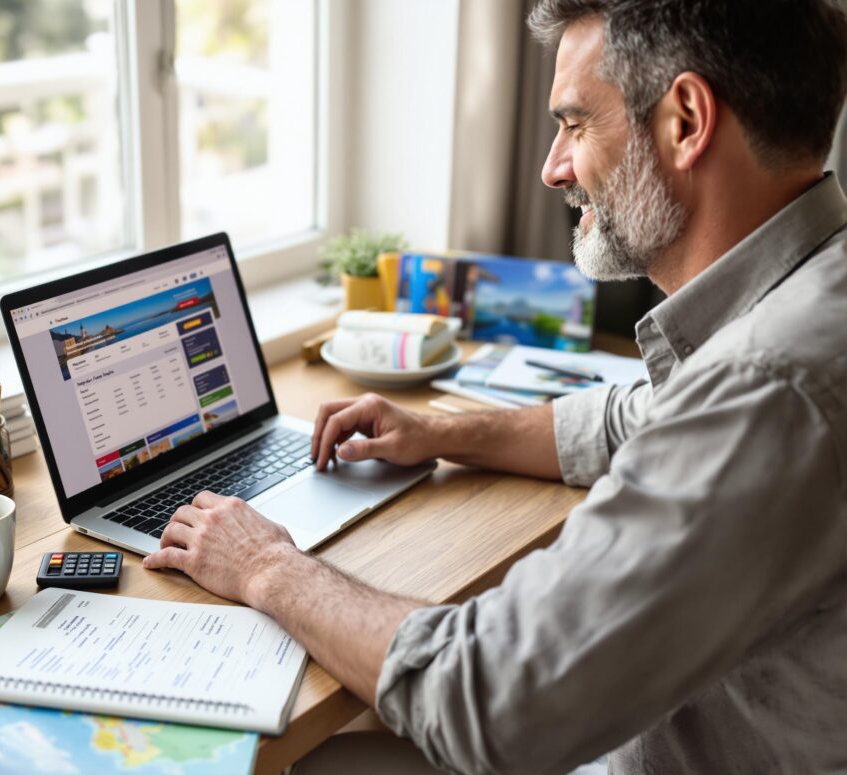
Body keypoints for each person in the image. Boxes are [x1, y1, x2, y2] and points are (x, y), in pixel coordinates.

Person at [144, 0, 847, 772]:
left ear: (685, 120)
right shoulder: (813, 295)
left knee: (308, 760)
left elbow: (489, 699)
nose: (553, 167)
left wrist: (266, 564)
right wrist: (443, 431)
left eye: (575, 124)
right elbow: (635, 419)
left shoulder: (766, 386)